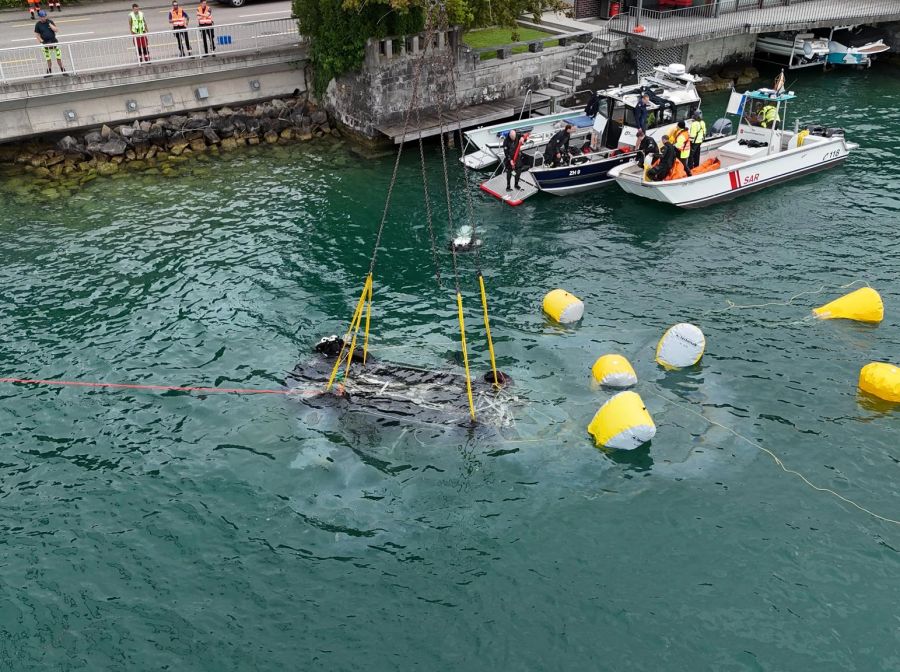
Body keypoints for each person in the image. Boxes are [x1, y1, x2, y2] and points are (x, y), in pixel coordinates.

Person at [34, 10, 65, 76]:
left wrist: (50, 24)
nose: (43, 18)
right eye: (42, 17)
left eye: (44, 16)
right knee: (48, 59)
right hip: (45, 44)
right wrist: (42, 41)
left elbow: (56, 30)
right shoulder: (38, 24)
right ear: (39, 17)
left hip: (54, 43)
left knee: (58, 58)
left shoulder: (50, 22)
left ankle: (63, 70)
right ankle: (49, 72)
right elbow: (37, 35)